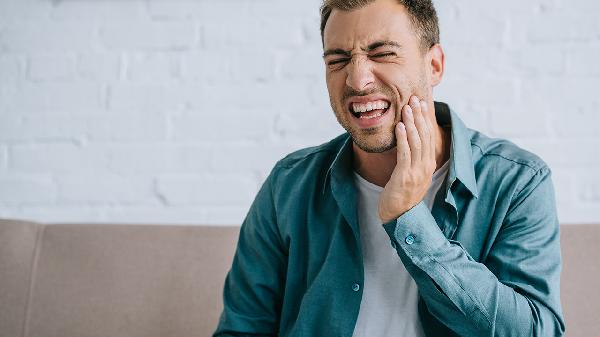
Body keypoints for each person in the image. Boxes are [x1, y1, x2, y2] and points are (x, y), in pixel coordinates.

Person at [213, 0, 565, 336]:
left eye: (382, 53)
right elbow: (242, 329)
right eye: (337, 60)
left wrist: (409, 219)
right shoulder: (288, 185)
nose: (357, 80)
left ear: (435, 65)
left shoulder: (518, 182)